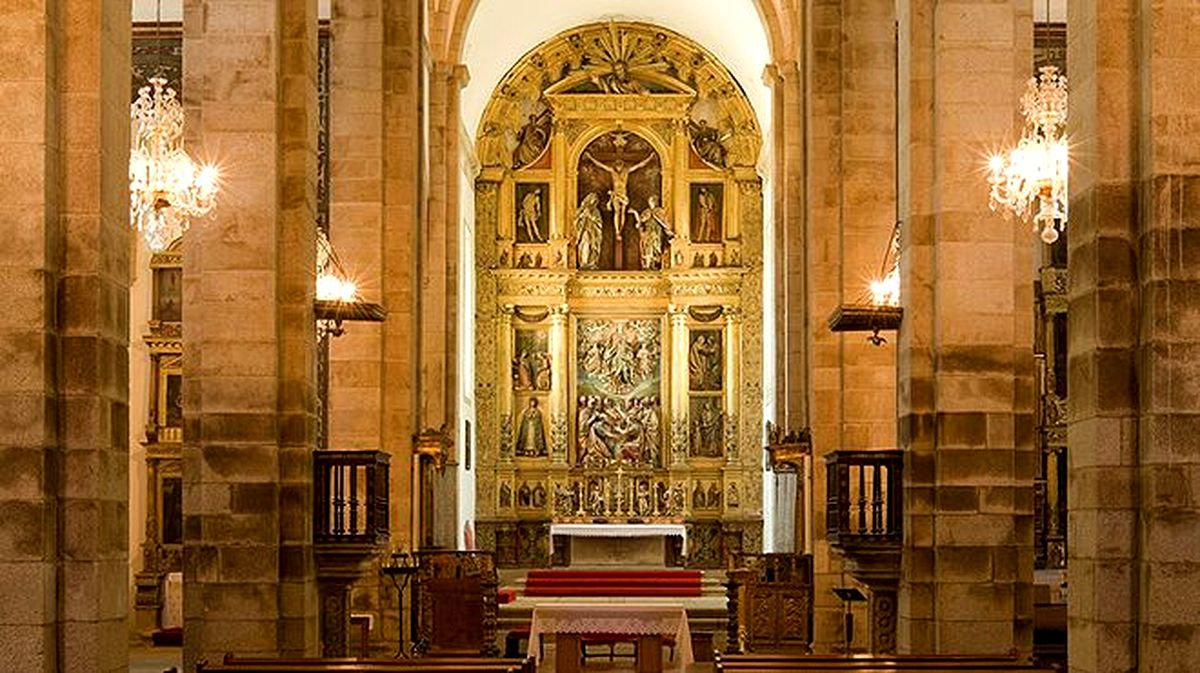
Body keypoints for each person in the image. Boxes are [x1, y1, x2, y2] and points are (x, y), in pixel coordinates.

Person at [582, 150, 654, 228]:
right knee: (617, 212)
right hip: (616, 193)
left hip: (623, 194)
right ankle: (617, 232)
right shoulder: (613, 172)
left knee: (622, 212)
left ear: (622, 166)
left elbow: (639, 165)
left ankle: (620, 230)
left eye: (620, 165)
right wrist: (590, 157)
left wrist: (649, 158)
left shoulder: (626, 171)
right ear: (615, 166)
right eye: (617, 165)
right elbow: (601, 165)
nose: (619, 167)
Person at [633, 196, 672, 270]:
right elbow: (641, 221)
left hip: (656, 231)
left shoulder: (660, 211)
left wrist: (667, 230)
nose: (652, 202)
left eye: (653, 201)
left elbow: (664, 222)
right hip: (648, 232)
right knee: (647, 247)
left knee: (656, 246)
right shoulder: (646, 212)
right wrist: (636, 214)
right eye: (650, 201)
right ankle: (648, 263)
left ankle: (655, 263)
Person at [574, 192, 604, 269]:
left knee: (593, 246)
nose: (594, 202)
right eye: (593, 199)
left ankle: (591, 262)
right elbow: (576, 220)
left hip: (593, 232)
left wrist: (590, 215)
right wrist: (582, 215)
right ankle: (584, 261)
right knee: (585, 243)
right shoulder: (581, 210)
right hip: (584, 231)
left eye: (595, 201)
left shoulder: (596, 211)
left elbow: (599, 222)